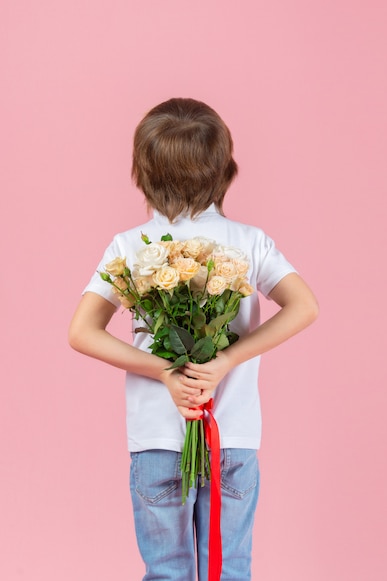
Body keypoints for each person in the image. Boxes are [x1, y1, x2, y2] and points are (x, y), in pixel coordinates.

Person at [68, 97, 319, 581]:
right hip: (233, 438)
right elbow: (305, 305)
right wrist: (226, 362)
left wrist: (163, 372)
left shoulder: (131, 248)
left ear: (142, 172)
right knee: (229, 570)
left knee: (166, 571)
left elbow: (82, 331)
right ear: (225, 168)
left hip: (158, 438)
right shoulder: (249, 241)